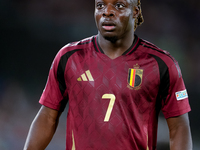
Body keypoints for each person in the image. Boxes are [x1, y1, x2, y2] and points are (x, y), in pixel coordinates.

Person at [24, 0, 193, 149]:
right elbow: (47, 117)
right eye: (100, 5)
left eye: (119, 5)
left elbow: (178, 127)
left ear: (136, 11)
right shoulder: (69, 57)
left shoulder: (161, 63)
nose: (107, 11)